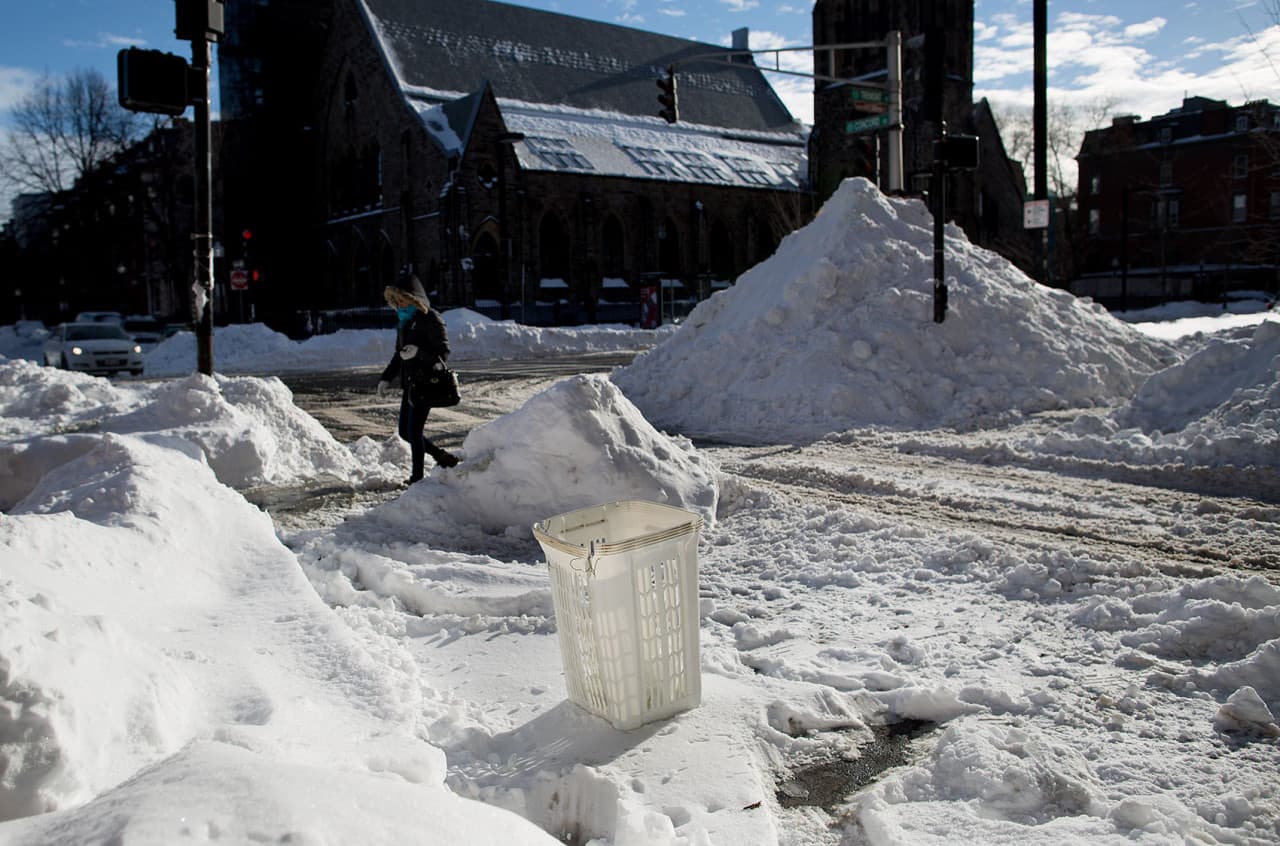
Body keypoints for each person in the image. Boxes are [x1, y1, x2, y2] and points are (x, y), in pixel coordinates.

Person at [377, 270, 460, 483]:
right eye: (397, 301)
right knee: (405, 432)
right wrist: (386, 378)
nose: (401, 305)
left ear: (415, 299)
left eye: (404, 300)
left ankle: (417, 478)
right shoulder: (404, 321)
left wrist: (419, 352)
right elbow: (400, 355)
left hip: (428, 383)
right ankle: (442, 456)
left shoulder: (430, 318)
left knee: (414, 432)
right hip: (411, 384)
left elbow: (443, 353)